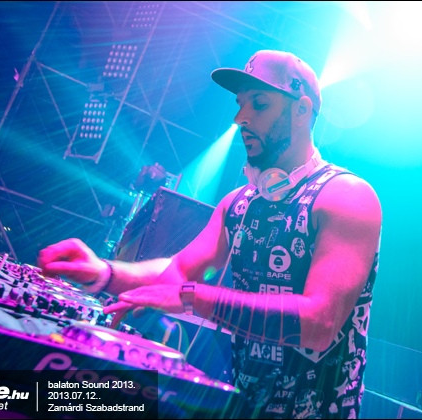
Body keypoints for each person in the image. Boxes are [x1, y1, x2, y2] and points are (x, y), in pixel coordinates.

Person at [38, 50, 382, 419]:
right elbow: (177, 272)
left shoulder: (346, 196)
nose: (241, 118)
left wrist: (192, 298)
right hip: (245, 408)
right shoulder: (238, 203)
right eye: (240, 104)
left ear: (301, 110)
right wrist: (103, 273)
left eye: (259, 104)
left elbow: (320, 323)